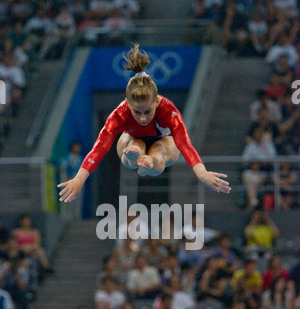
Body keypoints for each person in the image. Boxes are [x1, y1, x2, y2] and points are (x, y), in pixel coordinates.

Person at [58, 43, 231, 203]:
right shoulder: (120, 113)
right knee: (133, 144)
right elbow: (100, 147)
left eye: (147, 112)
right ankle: (134, 157)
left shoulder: (167, 110)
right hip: (132, 139)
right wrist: (79, 178)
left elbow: (184, 143)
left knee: (160, 151)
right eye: (136, 112)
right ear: (128, 103)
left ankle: (148, 161)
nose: (142, 118)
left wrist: (202, 173)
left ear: (156, 101)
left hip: (163, 141)